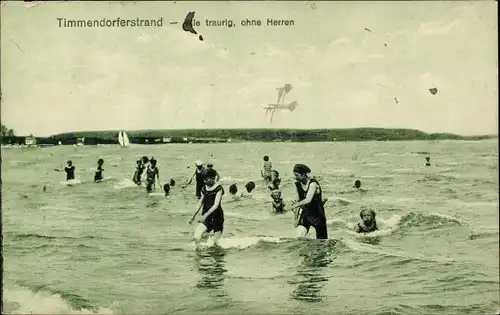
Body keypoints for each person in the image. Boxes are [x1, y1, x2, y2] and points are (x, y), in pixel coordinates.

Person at [290, 164, 328, 239]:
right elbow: (298, 201)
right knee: (299, 236)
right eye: (295, 175)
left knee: (322, 243)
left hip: (318, 216)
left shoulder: (313, 183)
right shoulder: (298, 185)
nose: (295, 177)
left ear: (303, 174)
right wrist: (296, 219)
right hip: (305, 215)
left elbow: (308, 199)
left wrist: (293, 206)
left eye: (297, 175)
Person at [189, 168, 225, 246]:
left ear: (213, 178)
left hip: (217, 217)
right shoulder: (204, 188)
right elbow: (200, 202)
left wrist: (204, 216)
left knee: (216, 243)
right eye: (204, 180)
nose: (204, 181)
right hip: (206, 216)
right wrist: (193, 216)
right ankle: (199, 255)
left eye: (206, 179)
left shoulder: (219, 188)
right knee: (196, 236)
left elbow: (216, 205)